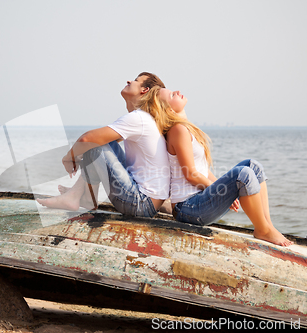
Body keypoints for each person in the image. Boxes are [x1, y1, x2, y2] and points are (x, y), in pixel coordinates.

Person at [156, 87, 293, 246]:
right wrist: (221, 188)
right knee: (243, 174)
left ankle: (267, 226)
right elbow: (191, 174)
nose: (178, 91)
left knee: (253, 166)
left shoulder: (185, 129)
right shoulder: (177, 130)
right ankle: (262, 229)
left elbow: (202, 170)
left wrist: (222, 189)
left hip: (199, 201)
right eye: (173, 95)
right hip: (187, 209)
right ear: (169, 109)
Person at [36, 72, 170, 218]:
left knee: (95, 144)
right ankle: (82, 195)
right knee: (101, 141)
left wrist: (68, 158)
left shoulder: (139, 118)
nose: (129, 80)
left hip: (140, 204)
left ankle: (78, 196)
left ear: (144, 90)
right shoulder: (145, 119)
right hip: (146, 202)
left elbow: (87, 139)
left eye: (136, 81)